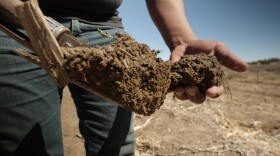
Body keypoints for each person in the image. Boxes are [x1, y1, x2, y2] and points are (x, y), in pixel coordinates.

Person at [0, 0, 248, 156]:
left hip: (106, 31)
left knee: (116, 147)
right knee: (25, 146)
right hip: (17, 20)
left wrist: (182, 41)